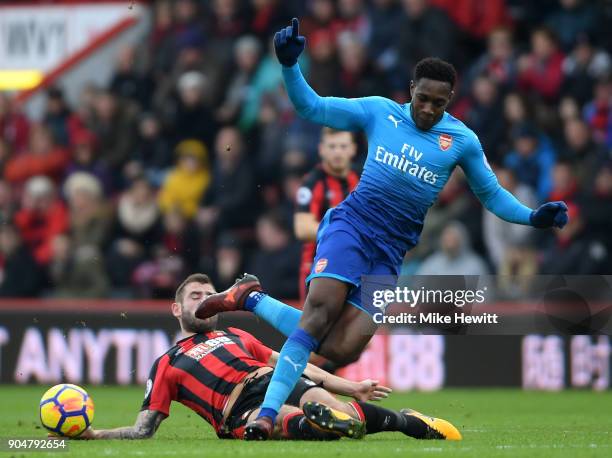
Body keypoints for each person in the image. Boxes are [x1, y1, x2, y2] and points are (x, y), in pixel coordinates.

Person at [197, 18, 568, 440]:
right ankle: (265, 414)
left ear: (451, 100)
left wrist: (533, 216)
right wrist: (289, 66)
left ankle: (251, 297)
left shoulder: (462, 140)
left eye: (438, 104)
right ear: (411, 89)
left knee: (341, 348)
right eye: (423, 99)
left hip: (390, 254)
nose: (428, 110)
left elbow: (493, 194)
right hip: (352, 228)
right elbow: (312, 107)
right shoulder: (380, 112)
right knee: (318, 316)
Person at [68, 274, 460, 441]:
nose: (205, 301)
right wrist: (95, 434)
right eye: (195, 297)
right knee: (285, 424)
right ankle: (325, 423)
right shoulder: (167, 363)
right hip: (240, 409)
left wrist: (352, 385)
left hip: (279, 382)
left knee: (341, 412)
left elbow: (294, 362)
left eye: (210, 295)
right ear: (176, 310)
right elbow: (143, 429)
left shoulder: (237, 334)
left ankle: (408, 422)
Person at [295, 127, 359, 301]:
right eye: (332, 147)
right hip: (318, 266)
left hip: (356, 263)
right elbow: (302, 229)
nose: (338, 152)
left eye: (343, 146)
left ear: (353, 149)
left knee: (365, 323)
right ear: (321, 149)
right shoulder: (312, 182)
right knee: (315, 325)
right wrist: (348, 233)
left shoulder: (362, 178)